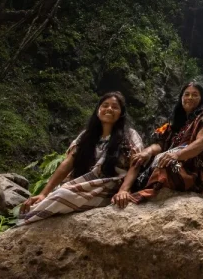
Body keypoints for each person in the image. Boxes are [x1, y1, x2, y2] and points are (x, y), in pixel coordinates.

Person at [18, 92, 143, 224]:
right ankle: (28, 218)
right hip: (84, 184)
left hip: (110, 186)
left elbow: (136, 163)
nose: (109, 109)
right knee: (56, 194)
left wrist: (123, 190)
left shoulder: (129, 135)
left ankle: (25, 221)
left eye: (115, 107)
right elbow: (67, 163)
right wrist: (44, 193)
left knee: (62, 195)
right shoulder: (86, 136)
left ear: (121, 113)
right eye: (105, 105)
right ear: (98, 110)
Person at [127, 81, 203, 204]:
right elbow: (161, 144)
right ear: (181, 98)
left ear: (201, 99)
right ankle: (126, 190)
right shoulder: (177, 124)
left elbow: (202, 142)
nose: (190, 97)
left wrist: (177, 155)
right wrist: (147, 152)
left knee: (169, 164)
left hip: (192, 172)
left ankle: (146, 193)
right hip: (175, 163)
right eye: (186, 94)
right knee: (139, 158)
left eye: (195, 95)